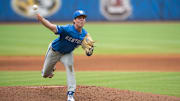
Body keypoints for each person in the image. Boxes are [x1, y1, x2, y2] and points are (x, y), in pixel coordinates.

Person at [35, 10, 94, 101]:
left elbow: (87, 46)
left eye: (83, 18)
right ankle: (52, 67)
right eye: (79, 18)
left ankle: (70, 94)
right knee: (45, 74)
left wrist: (89, 50)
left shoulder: (84, 34)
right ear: (74, 20)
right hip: (54, 51)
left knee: (70, 67)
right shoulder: (67, 29)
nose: (81, 20)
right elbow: (52, 27)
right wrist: (42, 19)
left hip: (67, 53)